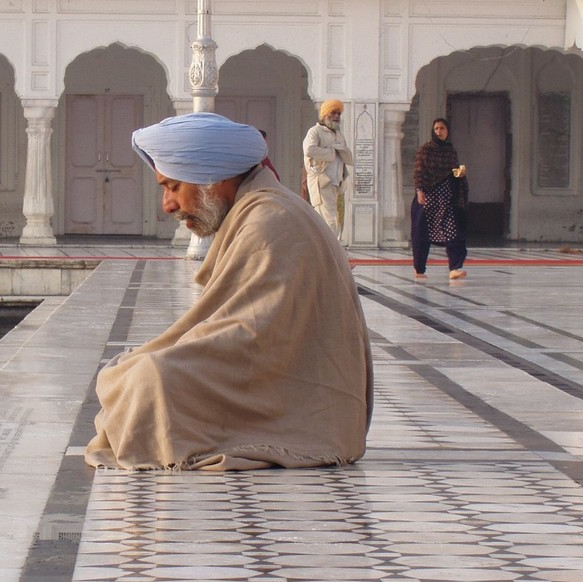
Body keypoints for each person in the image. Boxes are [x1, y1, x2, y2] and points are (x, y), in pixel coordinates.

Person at [84, 112, 373, 471]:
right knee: (136, 369)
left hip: (311, 411)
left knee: (148, 379)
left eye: (173, 186)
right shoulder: (263, 208)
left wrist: (166, 361)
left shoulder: (268, 220)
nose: (168, 205)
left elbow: (249, 336)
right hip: (301, 393)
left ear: (213, 178)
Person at [412, 117, 469, 280]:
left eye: (442, 128)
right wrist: (420, 190)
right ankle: (419, 269)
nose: (439, 131)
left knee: (453, 232)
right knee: (422, 234)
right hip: (429, 198)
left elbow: (452, 172)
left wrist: (460, 173)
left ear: (447, 131)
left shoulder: (450, 151)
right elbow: (419, 172)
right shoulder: (426, 150)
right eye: (436, 128)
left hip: (446, 199)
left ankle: (455, 268)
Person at [303, 99, 353, 238]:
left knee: (332, 220)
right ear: (325, 114)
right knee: (331, 220)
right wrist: (332, 152)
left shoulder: (338, 135)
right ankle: (333, 253)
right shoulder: (315, 132)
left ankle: (327, 252)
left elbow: (345, 156)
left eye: (338, 113)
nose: (336, 116)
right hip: (322, 182)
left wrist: (341, 151)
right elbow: (309, 150)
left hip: (337, 183)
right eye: (333, 113)